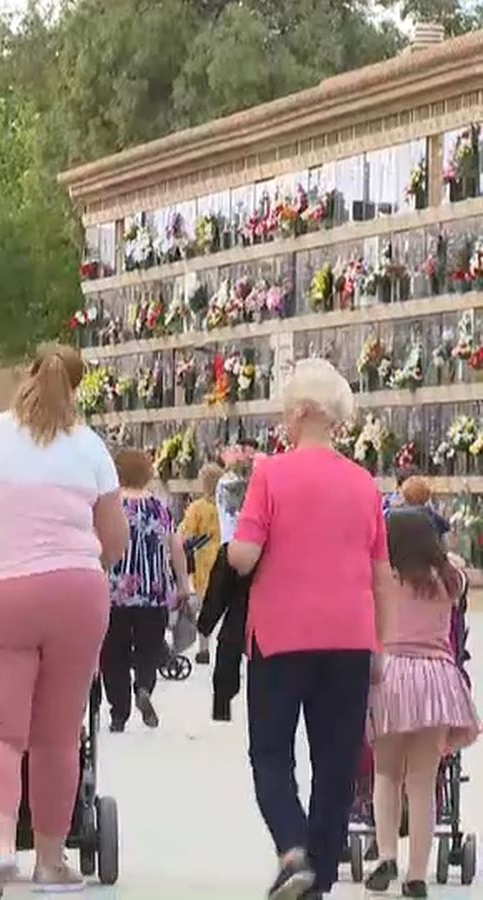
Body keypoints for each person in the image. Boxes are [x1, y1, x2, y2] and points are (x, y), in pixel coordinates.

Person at [0, 345, 128, 897]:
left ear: (22, 377)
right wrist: (84, 563)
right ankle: (50, 860)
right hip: (73, 593)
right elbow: (115, 541)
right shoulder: (89, 447)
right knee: (59, 735)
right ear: (77, 386)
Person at [225, 358, 393, 900]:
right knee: (336, 761)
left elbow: (245, 556)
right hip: (349, 637)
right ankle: (317, 878)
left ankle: (293, 849)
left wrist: (234, 547)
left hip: (279, 636)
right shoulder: (365, 483)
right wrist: (381, 645)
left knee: (271, 753)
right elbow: (381, 573)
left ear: (298, 412)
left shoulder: (270, 473)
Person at [363, 510, 480, 898]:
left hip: (390, 676)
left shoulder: (385, 578)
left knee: (385, 775)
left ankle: (386, 855)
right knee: (422, 782)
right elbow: (466, 575)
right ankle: (416, 874)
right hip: (434, 678)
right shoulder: (447, 580)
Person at [102, 448, 189, 732]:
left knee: (113, 653)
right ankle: (144, 688)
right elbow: (176, 548)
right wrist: (183, 587)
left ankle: (119, 711)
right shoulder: (160, 508)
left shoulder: (110, 507)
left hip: (113, 593)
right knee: (148, 649)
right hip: (153, 593)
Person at [179, 463, 224, 665]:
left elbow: (186, 533)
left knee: (203, 601)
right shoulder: (227, 506)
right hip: (224, 553)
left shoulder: (198, 507)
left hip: (204, 557)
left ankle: (203, 648)